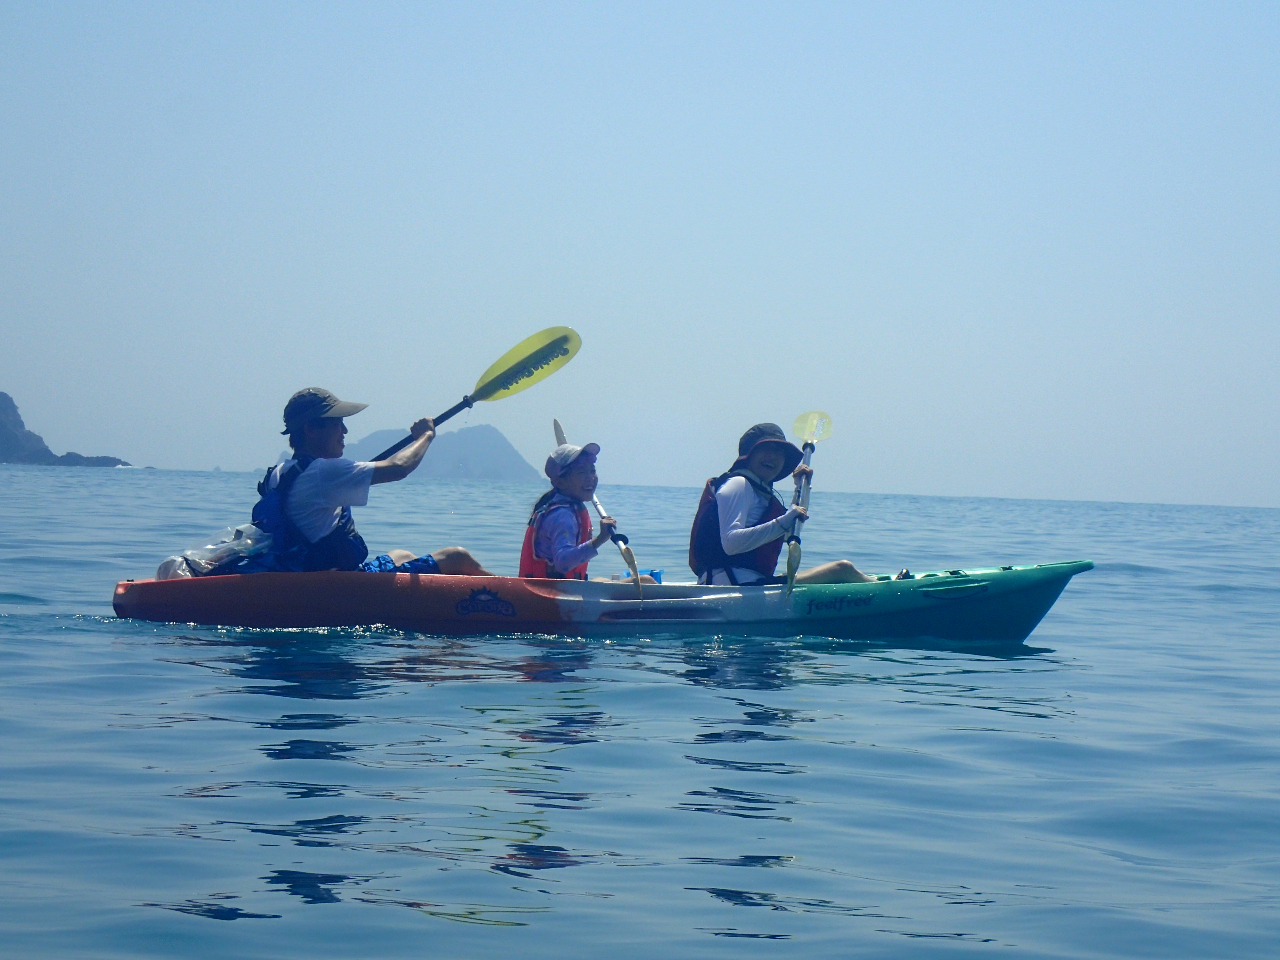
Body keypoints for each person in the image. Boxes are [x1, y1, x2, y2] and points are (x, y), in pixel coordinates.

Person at [252, 387, 492, 575]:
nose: (344, 431)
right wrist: (426, 435)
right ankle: (508, 601)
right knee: (457, 557)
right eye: (337, 423)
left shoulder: (280, 473)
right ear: (311, 429)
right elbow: (399, 468)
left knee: (401, 555)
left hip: (311, 573)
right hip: (340, 585)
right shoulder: (323, 473)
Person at [689, 422, 877, 586]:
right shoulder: (738, 484)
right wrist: (786, 519)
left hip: (750, 584)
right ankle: (888, 592)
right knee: (842, 569)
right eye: (766, 449)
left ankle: (878, 585)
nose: (773, 456)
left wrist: (800, 488)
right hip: (733, 586)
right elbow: (731, 543)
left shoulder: (760, 494)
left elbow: (787, 533)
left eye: (779, 452)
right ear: (749, 455)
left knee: (839, 572)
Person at [519, 442, 654, 582]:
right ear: (560, 483)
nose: (590, 478)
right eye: (582, 472)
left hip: (565, 587)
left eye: (592, 471)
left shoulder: (566, 507)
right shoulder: (562, 516)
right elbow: (563, 562)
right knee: (646, 581)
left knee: (602, 580)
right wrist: (600, 538)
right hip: (551, 590)